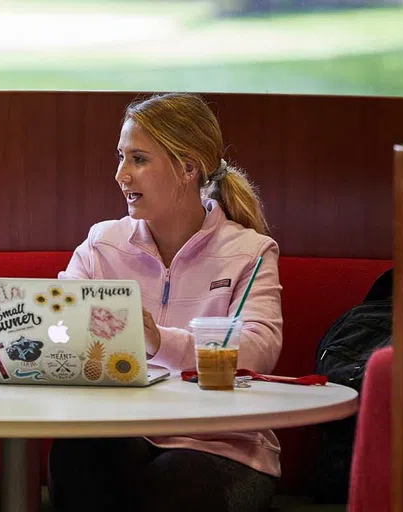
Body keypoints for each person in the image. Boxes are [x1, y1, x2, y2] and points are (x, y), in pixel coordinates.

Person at [49, 93, 283, 512]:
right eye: (120, 157)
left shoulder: (251, 251)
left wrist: (159, 340)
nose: (121, 175)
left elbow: (258, 352)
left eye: (138, 159)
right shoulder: (100, 245)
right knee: (77, 450)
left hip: (222, 449)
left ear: (188, 168)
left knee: (174, 480)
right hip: (123, 436)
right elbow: (56, 333)